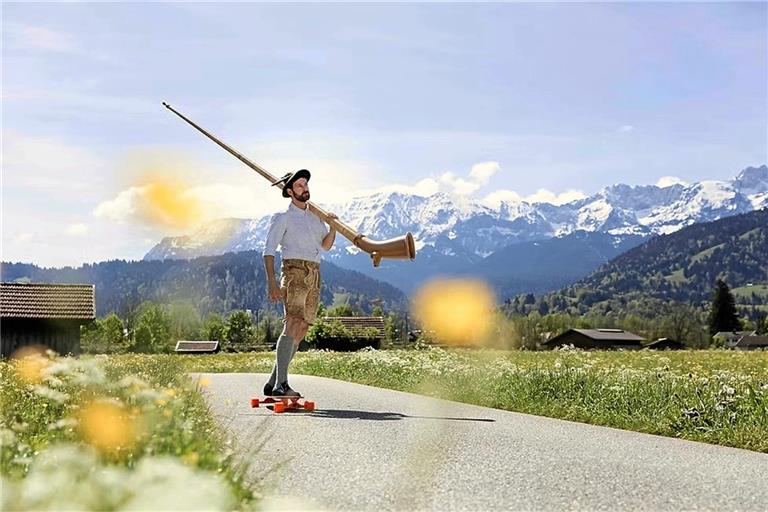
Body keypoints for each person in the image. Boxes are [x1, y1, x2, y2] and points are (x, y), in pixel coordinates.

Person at [262, 169, 337, 397]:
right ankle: (281, 384)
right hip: (293, 271)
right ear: (289, 191)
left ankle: (273, 383)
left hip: (314, 273)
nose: (305, 188)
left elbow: (325, 245)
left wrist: (333, 228)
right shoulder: (282, 218)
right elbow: (268, 251)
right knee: (292, 323)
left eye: (305, 184)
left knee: (302, 328)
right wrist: (273, 282)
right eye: (299, 185)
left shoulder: (315, 217)